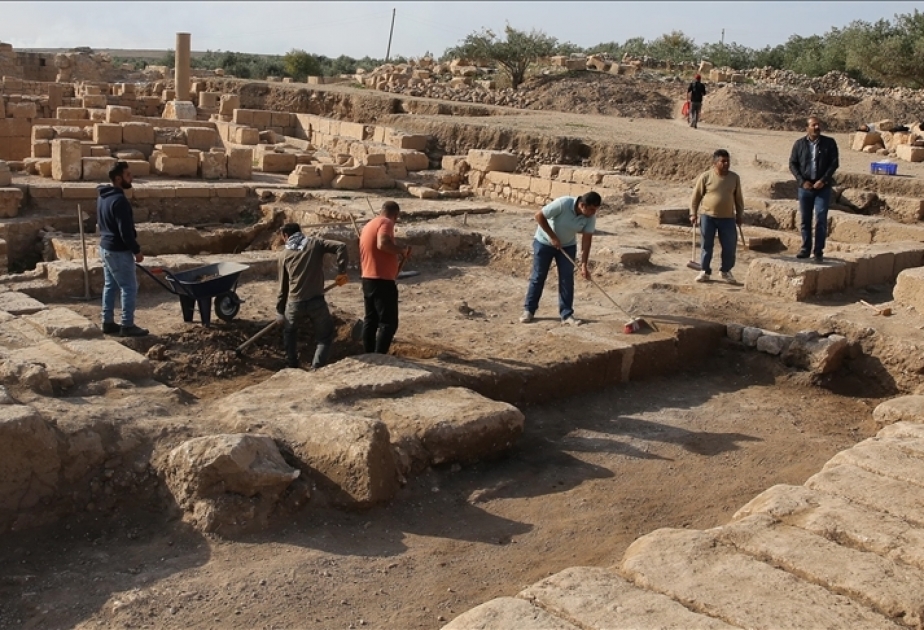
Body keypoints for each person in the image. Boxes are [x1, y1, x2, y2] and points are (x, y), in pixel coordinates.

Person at [520, 191, 601, 326]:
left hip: (568, 246)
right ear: (582, 205)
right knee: (539, 276)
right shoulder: (563, 203)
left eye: (596, 210)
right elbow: (539, 216)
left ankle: (566, 314)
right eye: (592, 209)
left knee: (567, 279)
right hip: (544, 243)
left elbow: (587, 240)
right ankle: (529, 310)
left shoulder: (590, 217)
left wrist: (584, 265)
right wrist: (552, 237)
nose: (594, 213)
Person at [276, 223, 348, 370]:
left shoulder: (284, 255)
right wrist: (342, 271)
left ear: (285, 236)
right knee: (325, 336)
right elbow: (341, 246)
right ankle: (317, 367)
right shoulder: (315, 243)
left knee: (289, 333)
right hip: (317, 302)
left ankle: (292, 365)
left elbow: (283, 287)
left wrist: (280, 310)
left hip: (294, 303)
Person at [97, 161, 148, 337]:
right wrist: (136, 250)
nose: (131, 177)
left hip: (105, 248)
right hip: (118, 251)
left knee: (110, 286)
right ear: (118, 179)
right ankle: (127, 325)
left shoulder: (103, 197)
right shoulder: (120, 201)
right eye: (127, 175)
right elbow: (125, 231)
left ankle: (107, 322)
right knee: (129, 287)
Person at [359, 201, 409, 355]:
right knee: (388, 323)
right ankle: (379, 356)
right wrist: (401, 250)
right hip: (381, 280)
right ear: (395, 215)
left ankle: (369, 354)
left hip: (368, 278)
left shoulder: (369, 224)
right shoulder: (386, 222)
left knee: (371, 320)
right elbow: (383, 244)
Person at [690, 149, 745, 284]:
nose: (726, 164)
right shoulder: (705, 177)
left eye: (728, 161)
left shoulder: (734, 178)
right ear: (715, 163)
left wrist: (740, 214)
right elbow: (696, 197)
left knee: (729, 245)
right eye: (723, 161)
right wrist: (693, 213)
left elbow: (738, 199)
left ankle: (726, 271)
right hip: (708, 216)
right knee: (706, 245)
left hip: (728, 218)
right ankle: (704, 271)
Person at [789, 116, 839, 262]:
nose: (817, 127)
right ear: (807, 128)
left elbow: (834, 163)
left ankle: (818, 251)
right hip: (805, 187)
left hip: (822, 187)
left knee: (821, 218)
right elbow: (793, 164)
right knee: (805, 219)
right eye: (814, 125)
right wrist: (801, 181)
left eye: (818, 125)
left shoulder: (829, 143)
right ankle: (805, 248)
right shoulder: (799, 144)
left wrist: (823, 180)